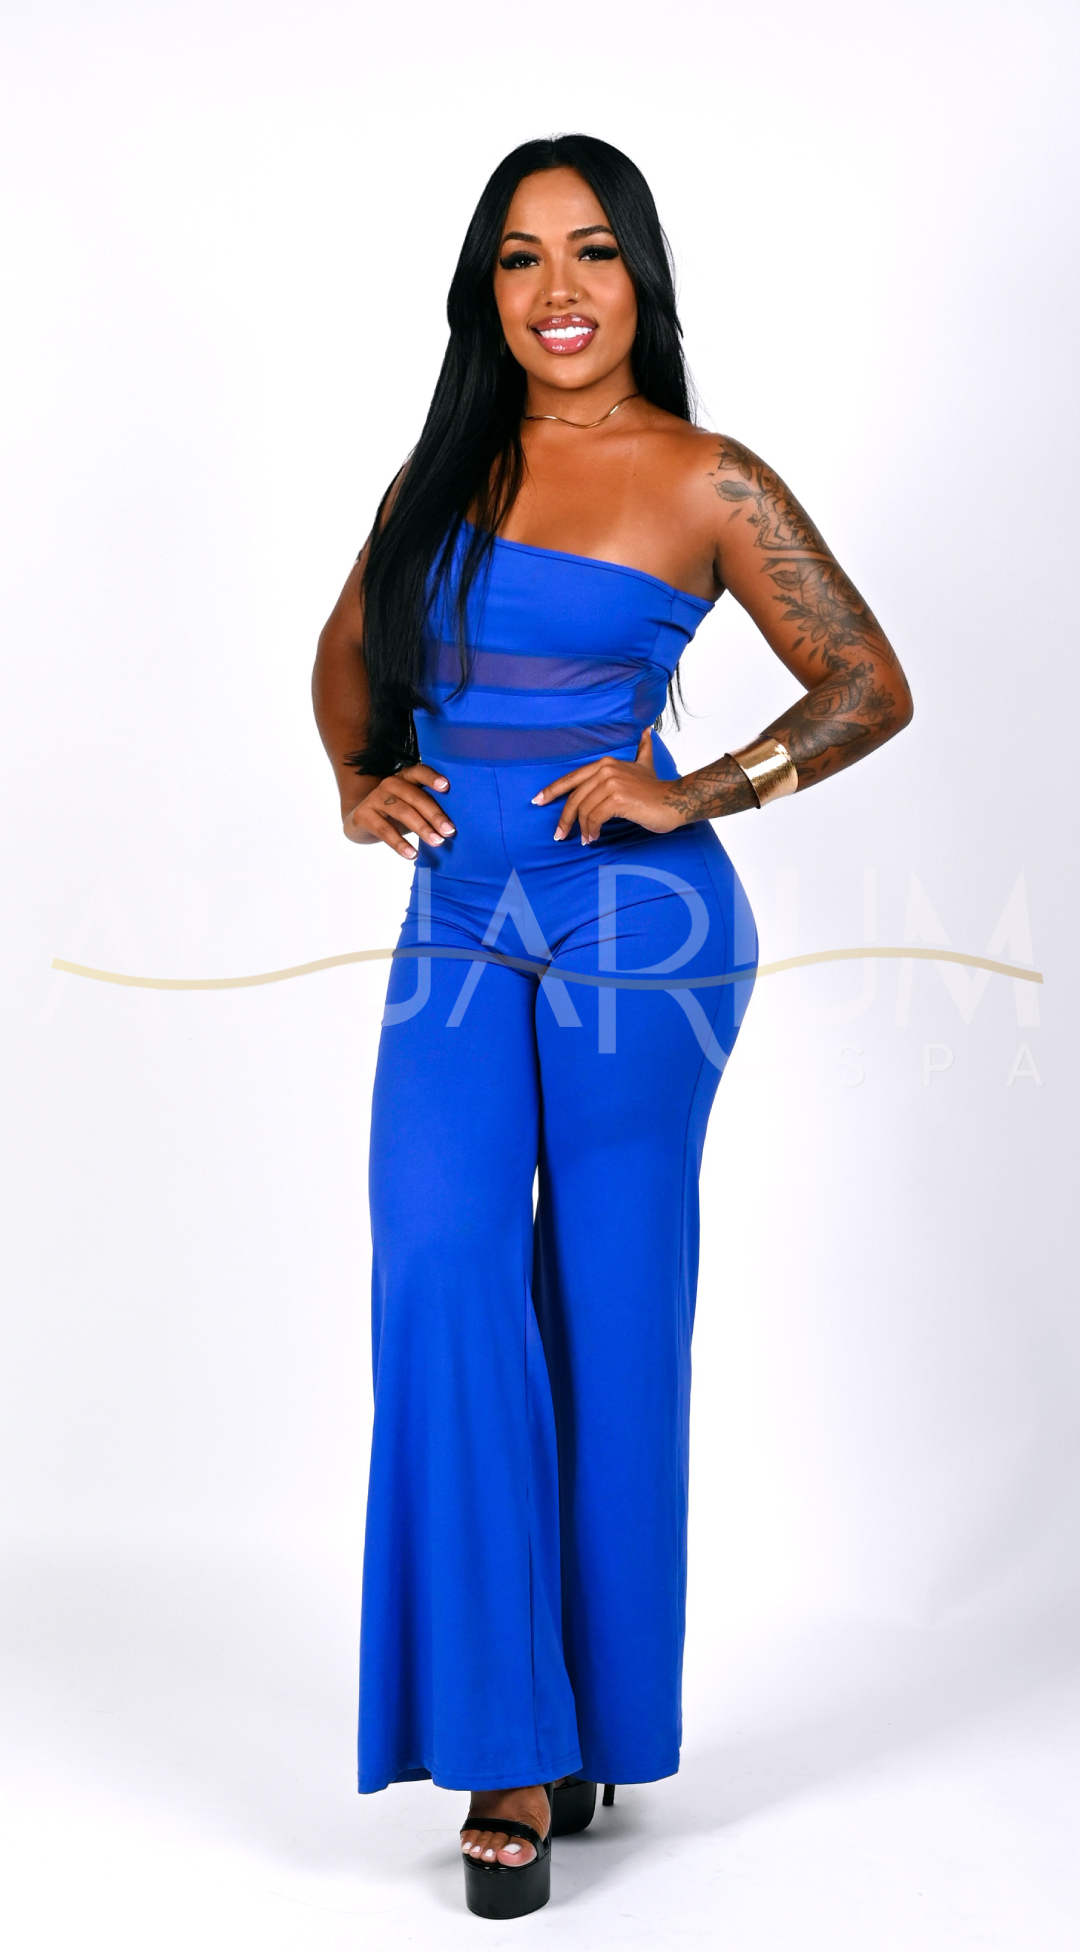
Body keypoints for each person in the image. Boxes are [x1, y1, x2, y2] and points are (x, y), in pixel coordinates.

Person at [312, 133, 912, 1918]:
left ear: (640, 275)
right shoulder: (445, 469)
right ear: (485, 291)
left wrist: (703, 787)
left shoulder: (706, 477)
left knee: (607, 1303)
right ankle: (504, 1733)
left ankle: (574, 1734)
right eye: (521, 257)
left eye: (591, 251)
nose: (558, 290)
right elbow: (345, 652)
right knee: (440, 1266)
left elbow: (869, 682)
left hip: (639, 928)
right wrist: (357, 778)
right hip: (456, 919)